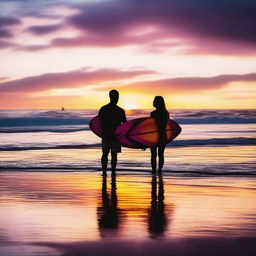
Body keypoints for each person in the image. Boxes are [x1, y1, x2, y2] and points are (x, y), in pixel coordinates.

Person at [99, 90, 126, 174]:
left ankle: (104, 172)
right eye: (116, 97)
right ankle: (113, 172)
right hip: (115, 136)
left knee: (105, 153)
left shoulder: (103, 109)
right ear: (116, 98)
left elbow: (99, 122)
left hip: (106, 135)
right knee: (114, 155)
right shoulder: (120, 111)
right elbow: (125, 125)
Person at [150, 96, 169, 173]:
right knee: (161, 154)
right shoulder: (166, 113)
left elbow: (151, 126)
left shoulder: (153, 113)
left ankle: (154, 171)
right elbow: (167, 125)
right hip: (163, 135)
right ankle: (160, 171)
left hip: (154, 135)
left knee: (153, 155)